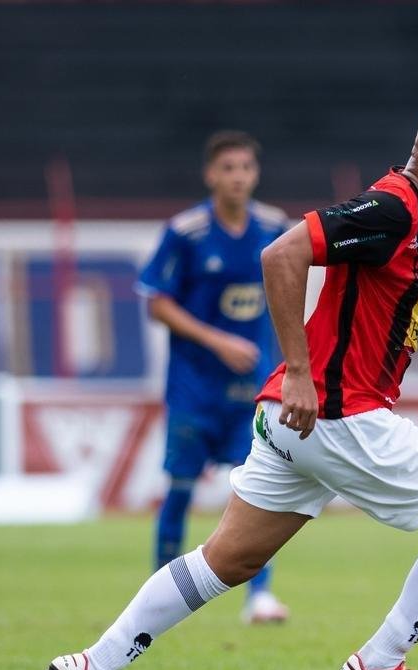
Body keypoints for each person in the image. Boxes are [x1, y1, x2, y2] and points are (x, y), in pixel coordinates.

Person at [44, 88, 418, 670]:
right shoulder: (390, 210)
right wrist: (299, 369)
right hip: (337, 414)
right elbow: (282, 255)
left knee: (226, 561)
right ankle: (380, 663)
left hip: (298, 421)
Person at [137, 130, 290, 625]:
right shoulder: (187, 232)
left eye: (245, 167)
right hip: (194, 385)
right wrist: (217, 341)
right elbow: (157, 303)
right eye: (228, 168)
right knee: (180, 484)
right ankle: (159, 591)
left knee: (261, 491)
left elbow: (293, 287)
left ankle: (259, 597)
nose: (238, 177)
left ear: (255, 173)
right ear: (210, 174)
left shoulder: (273, 227)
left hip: (254, 387)